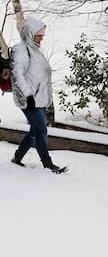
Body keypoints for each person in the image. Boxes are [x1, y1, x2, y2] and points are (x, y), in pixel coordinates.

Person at [10, 16, 67, 173]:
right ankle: (48, 164)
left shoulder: (35, 50)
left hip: (38, 98)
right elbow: (18, 74)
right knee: (41, 131)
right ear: (30, 33)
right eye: (39, 35)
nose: (42, 38)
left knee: (34, 131)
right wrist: (28, 96)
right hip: (28, 99)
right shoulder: (21, 50)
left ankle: (17, 158)